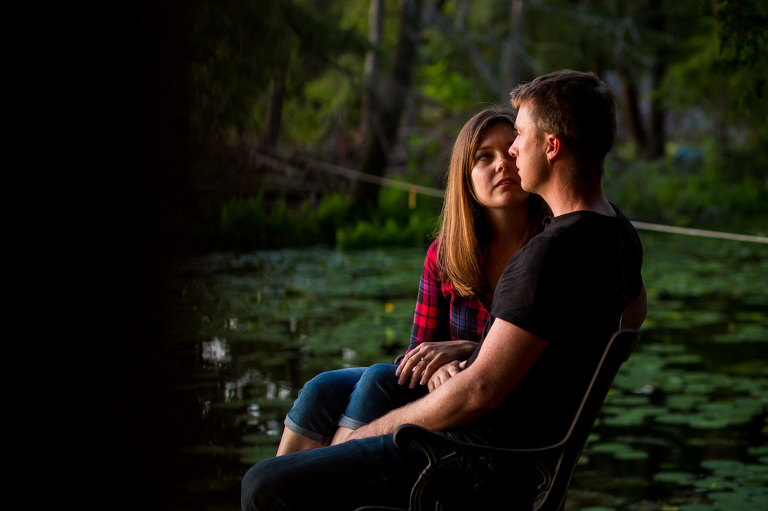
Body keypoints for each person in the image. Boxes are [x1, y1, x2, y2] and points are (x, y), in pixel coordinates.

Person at [241, 70, 648, 511]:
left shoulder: (546, 255)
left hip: (478, 460)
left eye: (519, 136)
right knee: (355, 384)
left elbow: (478, 392)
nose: (512, 152)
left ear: (551, 147)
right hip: (511, 441)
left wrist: (365, 437)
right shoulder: (618, 232)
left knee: (262, 485)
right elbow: (630, 318)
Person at [276, 107, 549, 455]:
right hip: (443, 388)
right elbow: (418, 351)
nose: (502, 164)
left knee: (378, 378)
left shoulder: (548, 249)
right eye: (484, 156)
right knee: (321, 388)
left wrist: (468, 349)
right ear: (465, 178)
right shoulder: (445, 255)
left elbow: (543, 355)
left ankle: (328, 473)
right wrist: (437, 368)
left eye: (510, 151)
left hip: (497, 402)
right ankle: (282, 479)